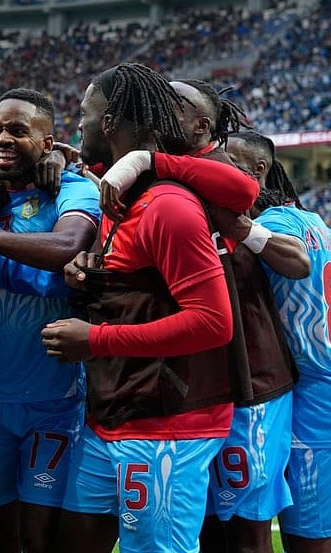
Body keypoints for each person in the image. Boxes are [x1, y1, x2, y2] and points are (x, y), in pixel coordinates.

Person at [39, 62, 259, 553]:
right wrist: (87, 271)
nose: (78, 125)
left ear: (112, 121)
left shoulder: (167, 206)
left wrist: (93, 339)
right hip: (114, 411)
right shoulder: (123, 197)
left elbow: (212, 322)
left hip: (166, 424)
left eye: (84, 113)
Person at [0, 88, 100, 553]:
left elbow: (67, 250)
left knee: (38, 539)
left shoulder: (73, 188)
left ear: (48, 143)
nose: (0, 139)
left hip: (54, 399)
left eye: (17, 130)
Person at [161, 78, 308, 553]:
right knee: (203, 528)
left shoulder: (265, 215)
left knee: (246, 533)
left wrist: (241, 226)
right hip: (196, 390)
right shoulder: (167, 185)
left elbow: (300, 262)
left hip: (254, 391)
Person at [229, 131, 331, 553]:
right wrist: (330, 254)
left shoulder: (269, 228)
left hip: (326, 412)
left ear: (258, 171)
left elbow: (295, 261)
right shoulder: (312, 221)